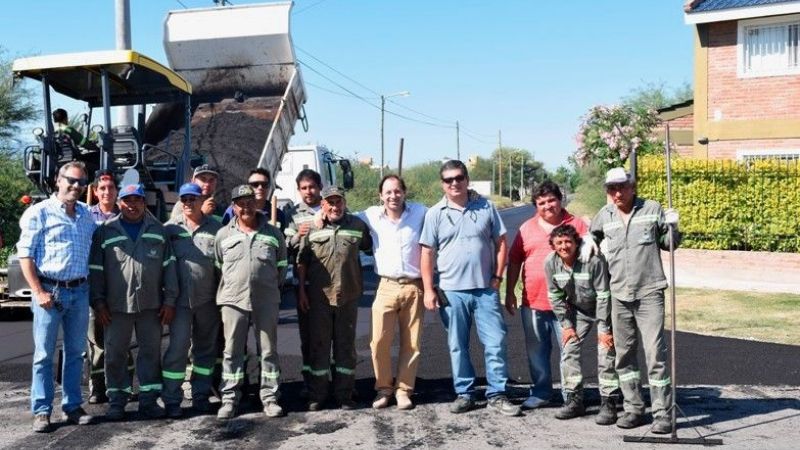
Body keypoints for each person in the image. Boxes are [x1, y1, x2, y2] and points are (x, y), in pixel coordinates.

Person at [419, 159, 520, 417]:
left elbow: (501, 243)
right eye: (448, 179)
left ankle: (497, 393)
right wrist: (429, 290)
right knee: (457, 344)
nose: (454, 183)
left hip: (485, 290)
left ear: (467, 179)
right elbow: (427, 253)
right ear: (442, 183)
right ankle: (465, 393)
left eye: (459, 178)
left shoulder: (486, 207)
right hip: (451, 292)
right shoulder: (435, 214)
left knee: (495, 341)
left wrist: (497, 277)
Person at [586, 167, 680, 434]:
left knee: (655, 355)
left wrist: (673, 227)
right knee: (624, 356)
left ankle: (662, 414)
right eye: (611, 189)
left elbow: (668, 243)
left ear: (632, 186)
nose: (617, 193)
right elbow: (593, 235)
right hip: (619, 295)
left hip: (649, 292)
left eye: (621, 187)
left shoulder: (652, 209)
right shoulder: (605, 215)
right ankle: (634, 408)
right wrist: (589, 242)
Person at [18, 161, 96, 432]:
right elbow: (25, 255)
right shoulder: (39, 213)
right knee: (43, 355)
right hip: (49, 292)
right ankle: (41, 410)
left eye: (81, 183)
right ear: (57, 181)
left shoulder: (87, 215)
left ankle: (72, 406)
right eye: (71, 181)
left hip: (80, 291)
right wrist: (38, 291)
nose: (75, 186)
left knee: (76, 353)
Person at [89, 183, 179, 421]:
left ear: (143, 202)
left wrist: (170, 301)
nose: (132, 205)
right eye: (127, 200)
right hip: (115, 307)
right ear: (120, 203)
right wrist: (98, 302)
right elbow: (96, 270)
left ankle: (148, 401)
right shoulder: (105, 231)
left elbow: (169, 267)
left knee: (150, 353)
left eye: (137, 200)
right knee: (115, 353)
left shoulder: (158, 230)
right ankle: (117, 401)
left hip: (151, 306)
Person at [504, 181, 589, 409]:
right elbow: (514, 261)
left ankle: (571, 395)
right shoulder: (526, 228)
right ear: (535, 206)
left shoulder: (578, 225)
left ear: (560, 200)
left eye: (551, 200)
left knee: (569, 351)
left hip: (569, 303)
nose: (547, 206)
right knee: (536, 350)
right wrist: (510, 291)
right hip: (534, 301)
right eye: (541, 203)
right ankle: (541, 392)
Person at [215, 185, 288, 420]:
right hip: (233, 301)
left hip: (265, 300)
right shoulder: (223, 235)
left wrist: (268, 288)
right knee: (231, 351)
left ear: (256, 204)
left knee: (268, 351)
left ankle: (269, 398)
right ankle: (230, 399)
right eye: (240, 202)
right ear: (233, 207)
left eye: (249, 201)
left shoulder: (274, 234)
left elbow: (281, 268)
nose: (245, 206)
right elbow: (219, 268)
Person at [297, 185, 372, 411]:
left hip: (348, 297)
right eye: (330, 202)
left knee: (345, 347)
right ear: (323, 205)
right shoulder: (312, 228)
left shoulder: (358, 226)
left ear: (344, 203)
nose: (334, 206)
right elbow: (301, 261)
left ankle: (344, 395)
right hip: (319, 298)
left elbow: (370, 248)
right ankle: (318, 395)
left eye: (338, 201)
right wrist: (301, 290)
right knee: (319, 347)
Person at [358, 175, 426, 411]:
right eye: (387, 192)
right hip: (385, 285)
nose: (393, 196)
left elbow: (444, 211)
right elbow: (343, 217)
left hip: (414, 286)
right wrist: (319, 215)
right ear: (380, 196)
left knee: (412, 343)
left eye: (397, 191)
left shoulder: (420, 213)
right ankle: (384, 388)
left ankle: (404, 390)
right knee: (378, 341)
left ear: (404, 193)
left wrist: (473, 196)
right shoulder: (370, 215)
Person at [543, 224, 618, 424]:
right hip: (578, 311)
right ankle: (574, 400)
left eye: (568, 241)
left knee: (606, 351)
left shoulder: (593, 261)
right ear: (553, 245)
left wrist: (604, 328)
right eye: (559, 242)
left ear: (577, 243)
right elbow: (556, 297)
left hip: (605, 311)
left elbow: (604, 295)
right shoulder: (550, 263)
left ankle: (609, 402)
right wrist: (566, 325)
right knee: (569, 348)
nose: (564, 246)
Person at [162, 183, 223, 418]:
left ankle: (200, 394)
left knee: (205, 351)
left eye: (192, 199)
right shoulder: (170, 230)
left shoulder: (217, 229)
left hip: (208, 301)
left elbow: (222, 267)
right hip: (179, 303)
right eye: (184, 199)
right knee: (177, 350)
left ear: (201, 201)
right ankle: (172, 398)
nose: (188, 203)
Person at [86, 169, 133, 404]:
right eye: (102, 188)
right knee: (96, 340)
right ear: (95, 191)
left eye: (111, 188)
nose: (107, 192)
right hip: (95, 287)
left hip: (121, 288)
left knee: (122, 339)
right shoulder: (86, 217)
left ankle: (126, 384)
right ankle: (97, 387)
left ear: (117, 191)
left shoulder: (126, 215)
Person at [283, 169, 323, 391]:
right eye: (304, 188)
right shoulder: (293, 215)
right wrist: (299, 234)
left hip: (331, 284)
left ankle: (339, 381)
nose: (309, 191)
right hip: (305, 283)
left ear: (320, 187)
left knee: (335, 335)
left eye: (312, 187)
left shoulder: (332, 207)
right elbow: (287, 245)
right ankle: (311, 382)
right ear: (299, 190)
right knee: (308, 336)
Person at [221, 168, 287, 229]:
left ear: (269, 187)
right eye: (255, 184)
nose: (260, 188)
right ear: (247, 186)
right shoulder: (234, 210)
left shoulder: (278, 214)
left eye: (264, 184)